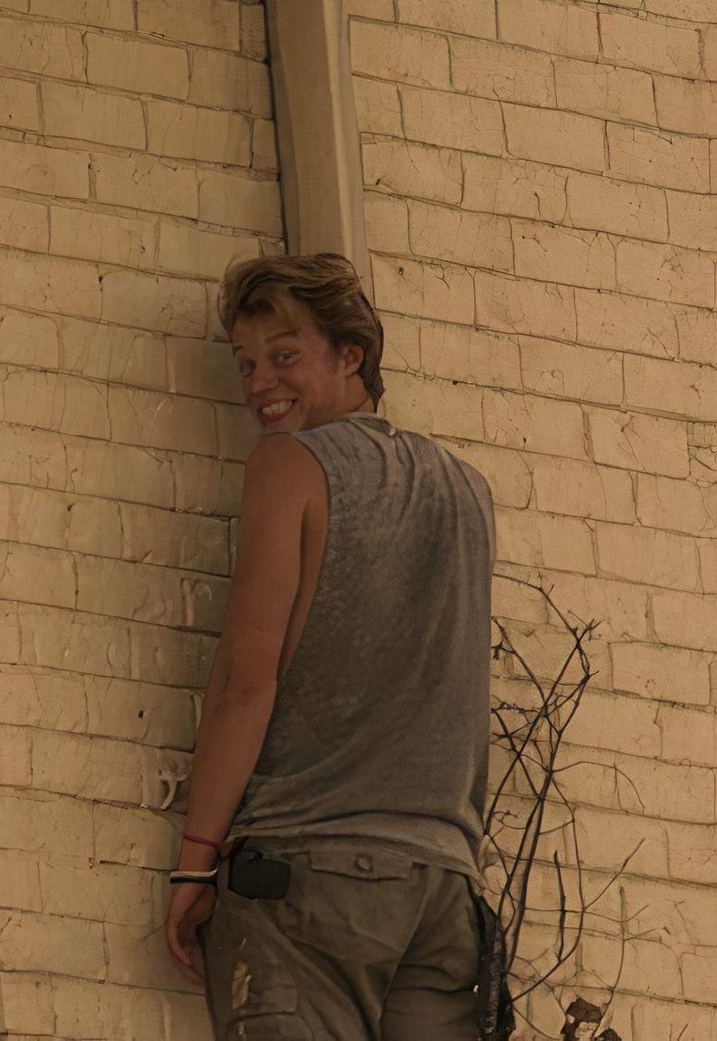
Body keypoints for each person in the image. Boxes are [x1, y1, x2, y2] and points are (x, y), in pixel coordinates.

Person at [162, 254, 504, 1039]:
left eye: (285, 356)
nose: (258, 384)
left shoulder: (290, 466)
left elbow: (247, 683)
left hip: (312, 873)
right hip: (444, 890)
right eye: (245, 363)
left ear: (351, 356)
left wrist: (194, 860)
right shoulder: (468, 490)